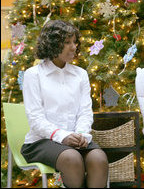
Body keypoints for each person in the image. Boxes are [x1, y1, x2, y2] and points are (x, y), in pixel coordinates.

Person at [21, 20, 108, 188]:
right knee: (71, 158)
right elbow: (35, 118)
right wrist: (62, 136)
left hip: (76, 138)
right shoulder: (34, 75)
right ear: (52, 44)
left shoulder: (80, 75)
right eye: (67, 42)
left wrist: (81, 134)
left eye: (75, 42)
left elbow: (85, 112)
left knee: (99, 158)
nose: (73, 46)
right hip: (41, 141)